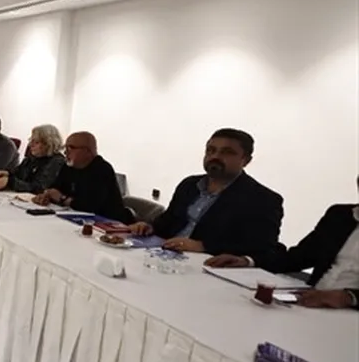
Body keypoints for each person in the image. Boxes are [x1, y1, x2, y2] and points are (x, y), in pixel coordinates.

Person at [206, 178, 359, 310]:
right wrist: (248, 260)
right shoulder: (339, 216)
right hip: (310, 301)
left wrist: (348, 297)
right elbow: (298, 257)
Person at [129, 128, 283, 255]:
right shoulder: (189, 184)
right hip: (164, 255)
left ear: (246, 160)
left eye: (227, 152)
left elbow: (262, 248)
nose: (215, 156)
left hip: (208, 266)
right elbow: (167, 221)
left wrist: (204, 246)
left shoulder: (263, 199)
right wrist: (149, 227)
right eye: (211, 150)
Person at [34, 131, 134, 223]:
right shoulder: (68, 166)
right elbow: (55, 188)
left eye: (70, 148)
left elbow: (90, 206)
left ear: (87, 151)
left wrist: (62, 198)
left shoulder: (102, 169)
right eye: (65, 148)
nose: (65, 152)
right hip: (73, 218)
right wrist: (46, 196)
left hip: (105, 223)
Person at [0, 124, 65, 193]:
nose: (30, 145)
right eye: (31, 140)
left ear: (49, 144)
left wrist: (9, 182)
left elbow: (40, 187)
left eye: (36, 142)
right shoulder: (33, 157)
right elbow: (18, 173)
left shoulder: (57, 161)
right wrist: (6, 174)